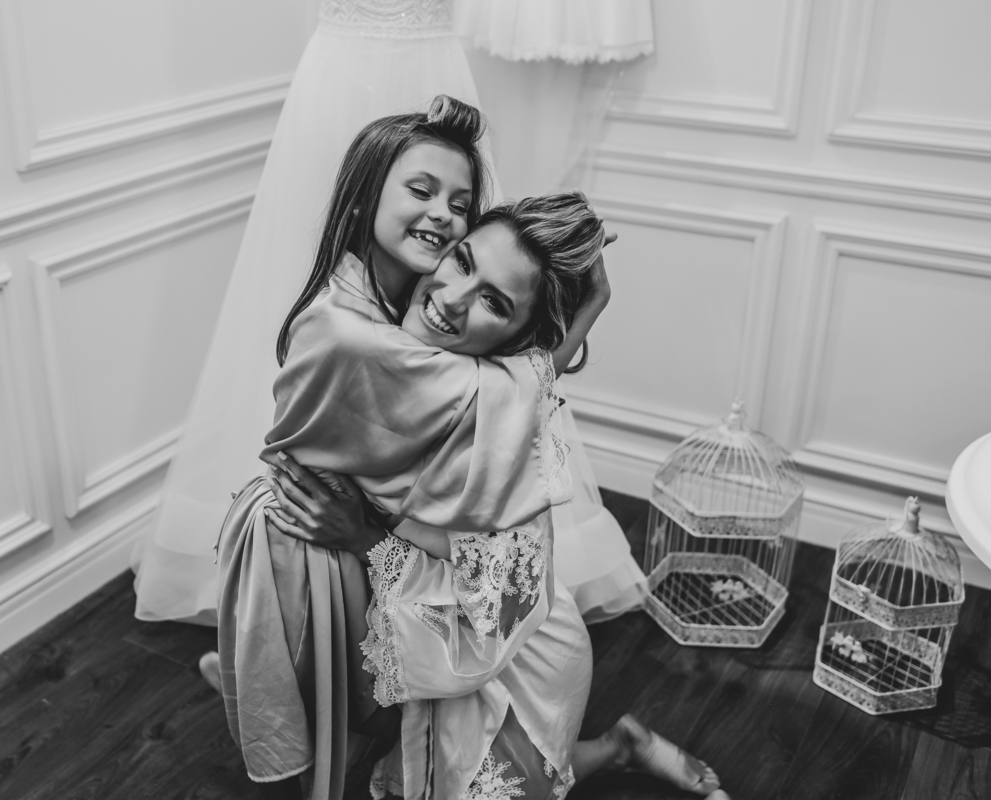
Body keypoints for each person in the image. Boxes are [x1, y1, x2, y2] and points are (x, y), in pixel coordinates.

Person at [216, 97, 722, 800]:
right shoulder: (366, 338)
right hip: (444, 619)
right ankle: (613, 746)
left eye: (493, 302)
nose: (452, 297)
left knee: (504, 782)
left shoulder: (439, 356)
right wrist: (585, 311)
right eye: (459, 260)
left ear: (509, 340)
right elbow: (522, 383)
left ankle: (617, 746)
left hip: (509, 637)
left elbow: (513, 394)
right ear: (364, 198)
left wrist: (365, 536)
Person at [132, 0, 645, 631]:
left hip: (345, 549)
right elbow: (499, 391)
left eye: (461, 205)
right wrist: (590, 308)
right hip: (305, 551)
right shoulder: (348, 330)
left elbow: (498, 389)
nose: (443, 215)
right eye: (421, 191)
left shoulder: (404, 302)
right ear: (365, 197)